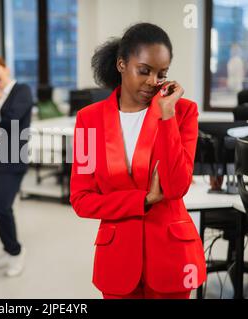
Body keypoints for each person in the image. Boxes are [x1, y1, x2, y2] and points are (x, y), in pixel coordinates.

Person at [70, 23, 207, 299]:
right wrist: (143, 200)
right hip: (117, 259)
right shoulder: (88, 121)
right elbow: (81, 199)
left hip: (172, 257)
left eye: (161, 73)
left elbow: (177, 186)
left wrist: (166, 116)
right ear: (122, 64)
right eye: (144, 70)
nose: (152, 81)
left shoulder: (182, 112)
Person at [0, 56, 33, 277]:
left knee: (1, 206)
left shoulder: (21, 90)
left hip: (12, 155)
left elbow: (13, 119)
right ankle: (7, 248)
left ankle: (16, 251)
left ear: (5, 69)